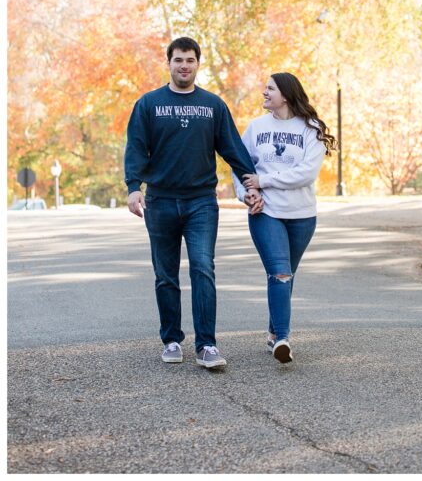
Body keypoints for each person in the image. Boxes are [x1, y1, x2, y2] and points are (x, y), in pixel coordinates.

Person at [125, 36, 263, 370]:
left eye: (190, 60)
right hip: (160, 201)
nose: (184, 66)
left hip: (201, 201)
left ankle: (207, 346)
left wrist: (251, 184)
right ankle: (172, 339)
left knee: (203, 269)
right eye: (178, 60)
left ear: (198, 64)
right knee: (165, 275)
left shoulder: (212, 106)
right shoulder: (149, 104)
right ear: (169, 63)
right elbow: (136, 147)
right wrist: (133, 186)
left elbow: (232, 148)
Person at [233, 72, 335, 364]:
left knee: (286, 274)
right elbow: (240, 166)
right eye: (264, 87)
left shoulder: (310, 128)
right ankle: (282, 340)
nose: (264, 92)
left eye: (270, 88)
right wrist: (246, 194)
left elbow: (306, 173)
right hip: (266, 212)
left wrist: (262, 181)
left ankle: (272, 328)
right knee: (279, 271)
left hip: (302, 215)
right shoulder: (255, 128)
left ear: (286, 95)